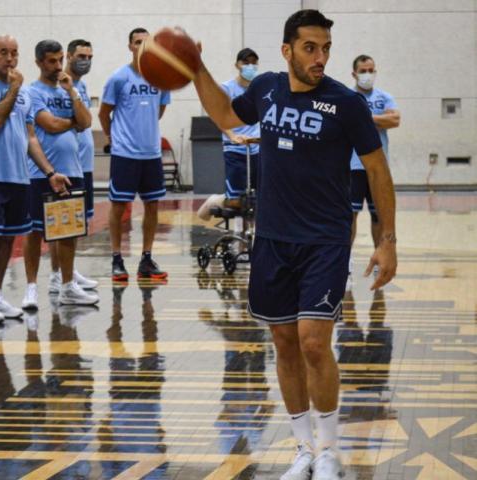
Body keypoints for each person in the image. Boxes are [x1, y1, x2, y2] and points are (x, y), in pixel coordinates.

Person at [190, 9, 397, 479]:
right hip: (272, 238)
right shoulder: (266, 88)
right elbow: (225, 114)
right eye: (310, 48)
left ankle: (328, 451)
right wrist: (197, 68)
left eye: (326, 48)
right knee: (284, 343)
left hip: (325, 240)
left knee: (314, 343)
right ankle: (303, 449)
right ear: (287, 51)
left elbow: (377, 169)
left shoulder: (346, 103)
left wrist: (387, 240)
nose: (320, 57)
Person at [0, 35, 70, 322]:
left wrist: (49, 172)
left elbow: (30, 137)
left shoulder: (24, 94)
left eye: (14, 53)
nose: (9, 58)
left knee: (9, 238)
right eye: (3, 52)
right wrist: (13, 88)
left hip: (19, 177)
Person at [22, 40, 99, 309]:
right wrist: (72, 122)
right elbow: (50, 124)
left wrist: (72, 93)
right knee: (34, 232)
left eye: (59, 60)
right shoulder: (32, 92)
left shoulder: (70, 89)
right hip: (40, 173)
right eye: (51, 61)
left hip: (72, 170)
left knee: (68, 231)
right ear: (39, 62)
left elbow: (86, 122)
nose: (57, 66)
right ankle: (31, 287)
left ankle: (66, 286)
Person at [99, 28, 171, 282]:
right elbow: (103, 113)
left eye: (147, 42)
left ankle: (146, 259)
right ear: (130, 46)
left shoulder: (161, 78)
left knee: (152, 206)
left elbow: (159, 110)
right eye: (138, 42)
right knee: (119, 206)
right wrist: (112, 137)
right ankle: (117, 258)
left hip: (151, 154)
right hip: (125, 154)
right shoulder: (119, 78)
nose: (142, 46)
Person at [348, 54, 400, 285]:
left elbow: (395, 120)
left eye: (371, 70)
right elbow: (346, 123)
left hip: (379, 168)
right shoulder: (348, 98)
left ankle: (381, 256)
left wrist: (366, 118)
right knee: (350, 215)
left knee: (378, 215)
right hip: (353, 166)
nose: (368, 74)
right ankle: (346, 261)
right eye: (363, 71)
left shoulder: (384, 97)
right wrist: (380, 120)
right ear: (354, 74)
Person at [197, 48, 261, 224]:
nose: (250, 66)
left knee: (258, 200)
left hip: (257, 147)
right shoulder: (227, 89)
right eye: (246, 62)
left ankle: (251, 237)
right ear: (237, 65)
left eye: (254, 62)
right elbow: (218, 116)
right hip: (235, 148)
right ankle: (215, 201)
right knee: (236, 201)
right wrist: (232, 135)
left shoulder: (258, 89)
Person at [63, 38, 98, 290]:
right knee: (64, 225)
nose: (86, 61)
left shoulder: (81, 86)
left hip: (85, 166)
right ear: (68, 56)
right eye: (81, 57)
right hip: (68, 165)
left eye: (89, 57)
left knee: (79, 223)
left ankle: (70, 271)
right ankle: (59, 275)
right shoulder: (61, 85)